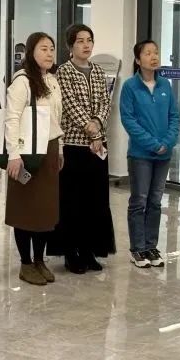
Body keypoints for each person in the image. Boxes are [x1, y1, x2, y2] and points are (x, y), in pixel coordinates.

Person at [51, 23, 115, 273]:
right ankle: (71, 253)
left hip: (97, 147)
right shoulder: (63, 72)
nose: (86, 45)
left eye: (89, 40)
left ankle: (89, 251)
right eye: (80, 41)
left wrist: (97, 126)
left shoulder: (98, 70)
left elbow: (105, 103)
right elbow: (69, 105)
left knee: (95, 201)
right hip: (73, 146)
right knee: (72, 202)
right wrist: (92, 131)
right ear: (70, 45)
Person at [5, 32, 64, 286]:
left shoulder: (52, 80)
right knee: (25, 209)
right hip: (26, 152)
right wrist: (13, 154)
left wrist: (60, 149)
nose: (49, 53)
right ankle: (25, 263)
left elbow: (57, 119)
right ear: (31, 53)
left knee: (44, 211)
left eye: (51, 48)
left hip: (49, 149)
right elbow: (12, 119)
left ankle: (40, 260)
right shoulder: (22, 81)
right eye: (43, 49)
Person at [119, 40, 180, 267]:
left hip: (163, 154)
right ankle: (137, 249)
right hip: (141, 154)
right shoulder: (130, 87)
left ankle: (151, 246)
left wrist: (167, 142)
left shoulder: (165, 85)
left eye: (156, 52)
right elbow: (128, 120)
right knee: (139, 201)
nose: (153, 57)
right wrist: (153, 144)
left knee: (155, 201)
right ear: (138, 60)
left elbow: (174, 117)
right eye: (147, 53)